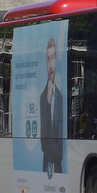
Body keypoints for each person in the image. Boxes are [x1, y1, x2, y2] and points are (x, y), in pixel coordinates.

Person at [40, 37, 65, 178]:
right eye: (48, 59)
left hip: (59, 170)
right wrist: (48, 102)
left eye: (53, 58)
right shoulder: (42, 97)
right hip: (45, 169)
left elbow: (60, 150)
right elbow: (43, 142)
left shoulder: (62, 98)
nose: (50, 64)